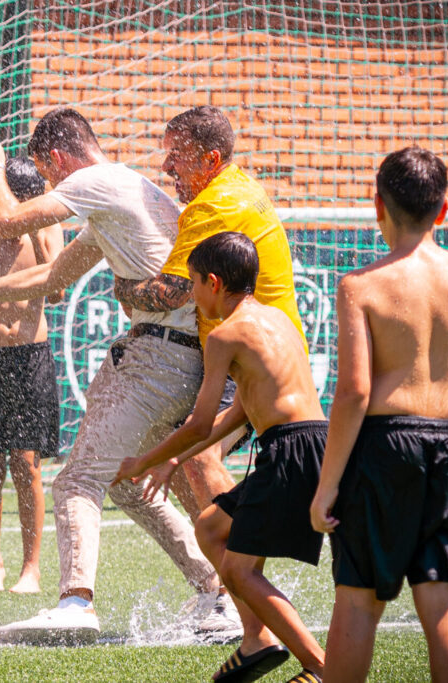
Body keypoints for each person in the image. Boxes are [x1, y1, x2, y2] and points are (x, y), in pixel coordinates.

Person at [0, 107, 226, 644]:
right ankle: (220, 596)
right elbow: (49, 277)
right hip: (174, 356)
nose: (52, 186)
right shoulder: (116, 194)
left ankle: (76, 602)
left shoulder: (95, 181)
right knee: (131, 483)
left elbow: (6, 219)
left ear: (55, 159)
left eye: (46, 172)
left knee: (77, 480)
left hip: (159, 357)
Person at [309, 146, 448, 682]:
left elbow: (354, 392)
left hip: (383, 447)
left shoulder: (359, 286)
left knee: (357, 601)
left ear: (376, 205)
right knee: (445, 596)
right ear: (444, 209)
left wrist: (327, 484)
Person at [112, 106, 308, 638]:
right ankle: (239, 607)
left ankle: (235, 602)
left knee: (197, 460)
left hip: (256, 361)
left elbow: (170, 291)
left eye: (177, 154)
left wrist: (122, 285)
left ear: (211, 158)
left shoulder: (213, 206)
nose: (168, 164)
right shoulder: (236, 187)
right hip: (270, 353)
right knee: (196, 473)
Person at [113, 232, 326, 683]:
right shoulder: (276, 318)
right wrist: (174, 462)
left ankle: (323, 668)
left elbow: (199, 423)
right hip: (310, 443)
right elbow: (244, 407)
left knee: (238, 568)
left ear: (213, 282)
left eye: (192, 283)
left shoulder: (225, 335)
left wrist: (145, 460)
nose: (190, 295)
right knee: (210, 527)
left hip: (291, 450)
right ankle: (257, 640)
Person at [0, 157, 63, 593]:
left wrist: (37, 236)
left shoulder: (48, 228)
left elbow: (56, 290)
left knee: (27, 465)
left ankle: (31, 568)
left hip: (29, 356)